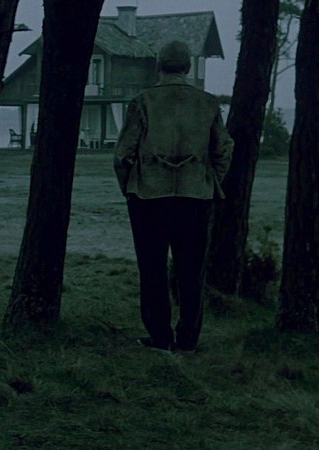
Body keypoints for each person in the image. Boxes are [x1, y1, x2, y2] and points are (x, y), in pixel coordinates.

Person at [113, 40, 233, 352]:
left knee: (152, 268)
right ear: (188, 67)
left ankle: (160, 337)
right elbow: (223, 150)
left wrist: (130, 187)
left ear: (158, 66)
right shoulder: (207, 103)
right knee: (191, 271)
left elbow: (122, 154)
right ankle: (188, 338)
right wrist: (208, 181)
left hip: (149, 196)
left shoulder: (142, 101)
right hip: (195, 196)